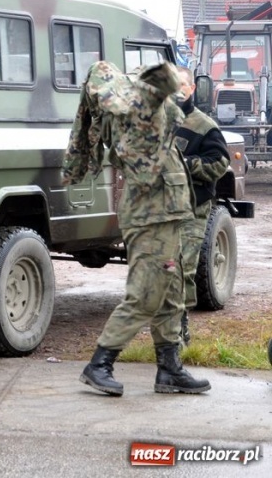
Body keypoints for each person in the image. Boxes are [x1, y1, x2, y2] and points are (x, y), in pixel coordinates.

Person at [63, 60, 210, 396]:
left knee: (169, 295)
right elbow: (160, 85)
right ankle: (100, 363)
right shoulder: (135, 115)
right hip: (150, 216)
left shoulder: (152, 115)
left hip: (166, 214)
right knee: (145, 295)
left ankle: (170, 369)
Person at [174, 67, 230, 346]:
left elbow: (220, 163)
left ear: (192, 88)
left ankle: (179, 338)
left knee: (183, 269)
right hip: (163, 211)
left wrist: (186, 165)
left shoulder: (203, 125)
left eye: (182, 85)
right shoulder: (159, 121)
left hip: (193, 209)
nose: (177, 90)